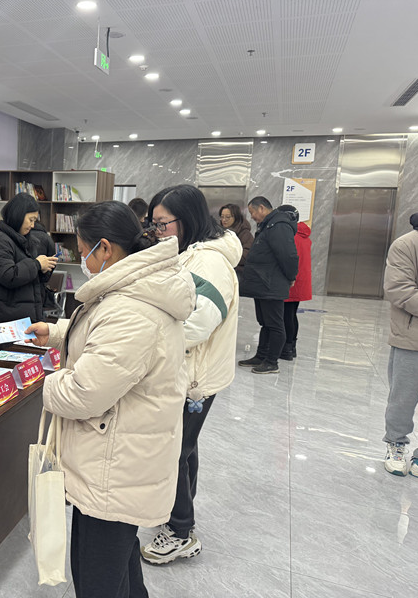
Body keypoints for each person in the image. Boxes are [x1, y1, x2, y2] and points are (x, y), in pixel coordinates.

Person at [26, 201, 195, 598]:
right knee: (120, 565)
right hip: (120, 458)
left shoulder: (132, 310)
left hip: (115, 468)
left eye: (83, 250)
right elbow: (107, 343)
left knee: (97, 579)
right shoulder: (136, 289)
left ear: (105, 248)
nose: (81, 259)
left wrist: (42, 383)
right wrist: (57, 334)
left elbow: (85, 393)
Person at [140, 185, 240, 565]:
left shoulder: (209, 263)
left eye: (162, 224)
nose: (156, 232)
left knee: (173, 453)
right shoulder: (190, 253)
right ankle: (177, 514)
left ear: (188, 220)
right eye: (153, 224)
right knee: (184, 448)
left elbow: (198, 324)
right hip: (188, 372)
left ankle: (181, 532)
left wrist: (148, 338)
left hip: (194, 378)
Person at [237, 196, 298, 374]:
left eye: (253, 212)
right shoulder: (269, 225)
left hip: (271, 283)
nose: (252, 217)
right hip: (263, 283)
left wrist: (291, 276)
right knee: (265, 322)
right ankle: (261, 356)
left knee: (275, 324)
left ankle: (272, 362)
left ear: (262, 208)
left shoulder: (279, 225)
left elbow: (288, 255)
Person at [382, 211, 418, 477]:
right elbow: (399, 289)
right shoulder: (407, 244)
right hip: (412, 337)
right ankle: (396, 444)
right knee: (403, 398)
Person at [0, 193, 58, 323]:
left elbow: (31, 278)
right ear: (18, 216)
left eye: (34, 221)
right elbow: (8, 275)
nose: (33, 225)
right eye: (31, 220)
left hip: (24, 314)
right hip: (7, 317)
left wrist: (45, 268)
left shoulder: (24, 239)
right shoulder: (0, 241)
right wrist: (37, 264)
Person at [275, 204, 312, 360]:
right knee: (291, 314)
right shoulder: (304, 236)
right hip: (301, 281)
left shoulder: (290, 236)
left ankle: (286, 348)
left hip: (291, 281)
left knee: (286, 316)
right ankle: (291, 347)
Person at [218, 202, 253, 286]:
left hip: (237, 272)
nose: (224, 220)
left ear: (236, 217)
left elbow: (246, 255)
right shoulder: (219, 232)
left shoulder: (245, 233)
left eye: (228, 217)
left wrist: (227, 257)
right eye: (222, 217)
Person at [27, 219, 58, 312]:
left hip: (19, 287)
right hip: (39, 288)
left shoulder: (19, 236)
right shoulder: (47, 238)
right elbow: (52, 263)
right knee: (37, 315)